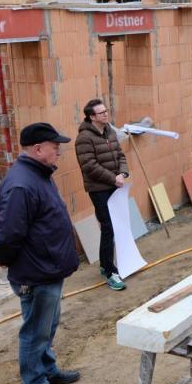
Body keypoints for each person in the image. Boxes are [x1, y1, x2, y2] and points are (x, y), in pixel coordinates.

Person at [0, 123, 81, 384]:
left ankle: (47, 369)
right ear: (38, 149)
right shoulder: (21, 184)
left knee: (47, 326)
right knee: (35, 331)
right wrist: (3, 257)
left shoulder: (38, 174)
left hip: (47, 267)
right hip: (36, 272)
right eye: (55, 147)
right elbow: (9, 233)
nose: (59, 152)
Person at [75, 99, 129, 291]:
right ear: (92, 117)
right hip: (99, 189)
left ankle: (106, 264)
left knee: (115, 226)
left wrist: (123, 173)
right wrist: (113, 178)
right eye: (101, 112)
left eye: (106, 111)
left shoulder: (110, 131)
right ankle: (109, 272)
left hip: (115, 184)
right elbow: (89, 166)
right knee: (108, 227)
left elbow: (120, 155)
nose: (106, 114)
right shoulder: (84, 138)